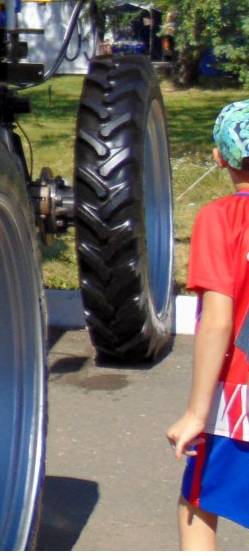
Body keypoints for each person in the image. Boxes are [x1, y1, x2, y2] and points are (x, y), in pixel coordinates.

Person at [167, 100, 249, 549]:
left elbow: (218, 321)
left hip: (240, 400)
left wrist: (199, 413)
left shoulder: (222, 219)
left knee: (198, 502)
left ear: (220, 157)